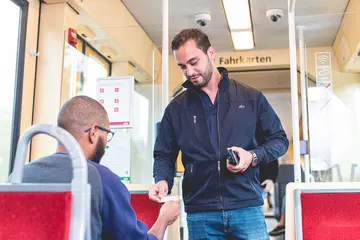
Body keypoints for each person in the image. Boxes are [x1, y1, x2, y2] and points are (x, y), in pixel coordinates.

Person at [149, 28, 289, 239]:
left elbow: (279, 140)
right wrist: (162, 180)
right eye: (182, 66)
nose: (189, 71)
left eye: (194, 62)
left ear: (211, 53)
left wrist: (252, 156)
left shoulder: (250, 98)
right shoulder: (176, 108)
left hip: (246, 208)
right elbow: (164, 154)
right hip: (201, 213)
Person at [10, 96, 180, 240]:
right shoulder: (101, 179)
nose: (106, 142)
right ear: (93, 132)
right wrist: (163, 218)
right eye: (106, 135)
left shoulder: (20, 176)